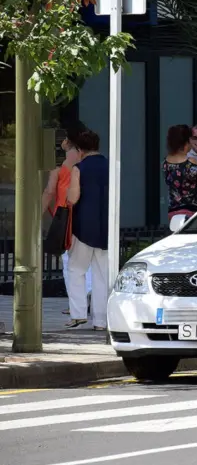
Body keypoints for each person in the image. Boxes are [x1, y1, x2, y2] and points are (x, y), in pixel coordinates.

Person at [42, 134, 94, 321]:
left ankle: (76, 305)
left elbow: (49, 191)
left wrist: (36, 215)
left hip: (64, 216)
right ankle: (89, 297)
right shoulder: (83, 163)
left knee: (69, 262)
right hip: (82, 214)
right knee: (87, 260)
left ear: (67, 142)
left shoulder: (60, 167)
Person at [65, 128, 109, 331]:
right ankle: (100, 321)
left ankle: (78, 314)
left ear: (80, 149)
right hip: (106, 226)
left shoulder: (79, 168)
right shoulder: (111, 165)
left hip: (83, 227)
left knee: (76, 269)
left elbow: (73, 198)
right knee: (102, 275)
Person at [164, 124, 197, 221]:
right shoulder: (192, 163)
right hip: (193, 212)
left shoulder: (166, 162)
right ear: (186, 142)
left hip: (173, 212)